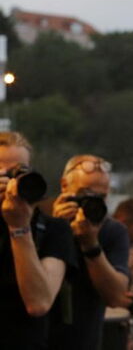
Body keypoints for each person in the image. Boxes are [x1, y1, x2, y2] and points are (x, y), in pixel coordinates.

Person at [0, 131, 76, 349]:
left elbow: (39, 303)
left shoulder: (54, 229)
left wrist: (19, 227)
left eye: (19, 172)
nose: (12, 182)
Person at [49, 154, 131, 350]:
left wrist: (91, 245)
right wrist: (56, 229)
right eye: (85, 194)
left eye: (101, 198)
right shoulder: (37, 222)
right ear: (64, 186)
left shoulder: (112, 231)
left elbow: (117, 297)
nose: (92, 203)